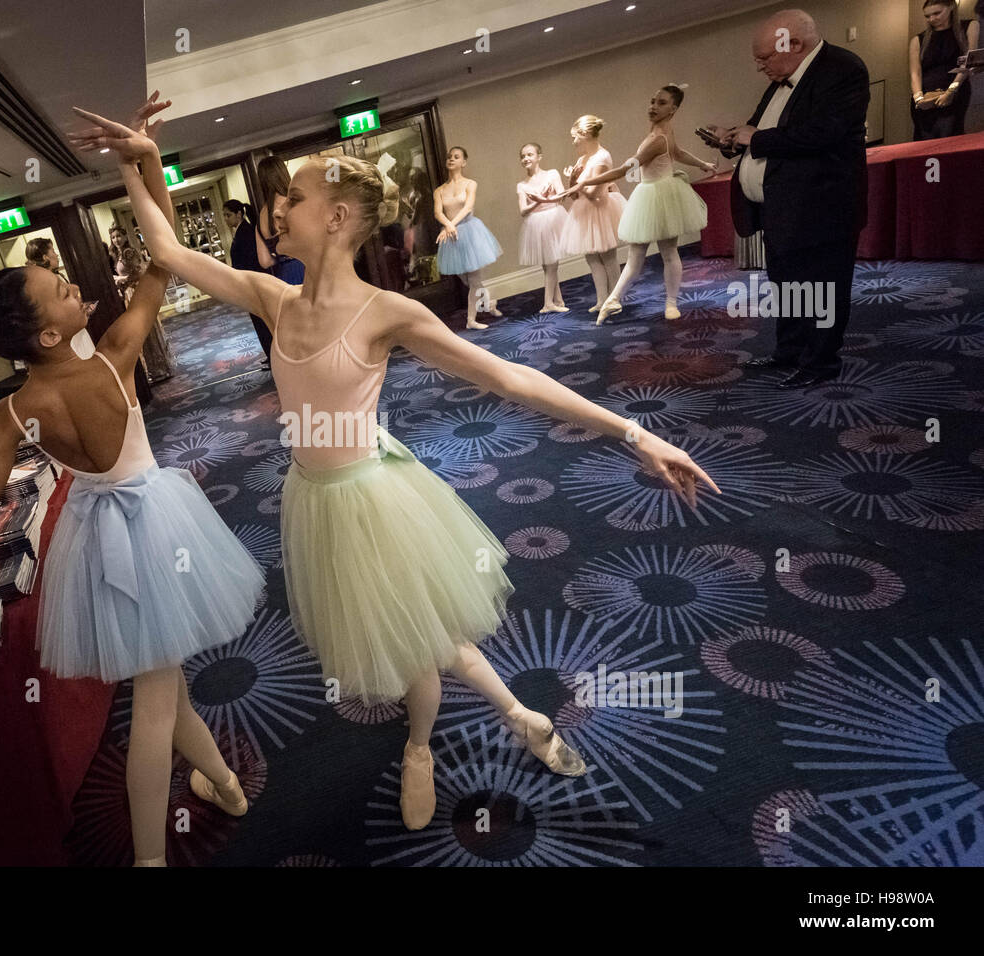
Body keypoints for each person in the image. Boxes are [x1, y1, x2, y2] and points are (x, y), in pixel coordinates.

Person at [71, 107, 722, 832]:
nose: (280, 207)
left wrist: (635, 434)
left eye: (296, 197)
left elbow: (512, 380)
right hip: (312, 498)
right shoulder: (270, 295)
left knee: (413, 648)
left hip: (373, 499)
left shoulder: (387, 313)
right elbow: (165, 245)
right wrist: (141, 161)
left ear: (337, 216)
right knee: (421, 631)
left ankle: (420, 749)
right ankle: (524, 717)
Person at [0, 94, 265, 868]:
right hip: (160, 534)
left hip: (100, 543)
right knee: (152, 705)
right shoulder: (116, 350)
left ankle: (223, 786)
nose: (75, 283)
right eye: (61, 289)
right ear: (50, 332)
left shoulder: (16, 412)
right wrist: (144, 161)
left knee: (162, 687)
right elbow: (163, 254)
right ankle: (149, 859)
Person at [706, 9, 869, 389]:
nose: (760, 67)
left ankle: (820, 363)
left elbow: (822, 135)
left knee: (823, 288)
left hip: (823, 209)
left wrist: (755, 139)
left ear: (792, 44)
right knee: (789, 285)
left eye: (765, 58)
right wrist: (733, 140)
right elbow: (763, 132)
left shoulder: (843, 69)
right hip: (782, 210)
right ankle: (792, 351)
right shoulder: (782, 80)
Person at [558, 87, 715, 323]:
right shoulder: (660, 132)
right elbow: (678, 152)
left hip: (662, 194)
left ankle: (669, 303)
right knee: (637, 253)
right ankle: (613, 299)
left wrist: (584, 182)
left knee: (668, 252)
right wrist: (702, 163)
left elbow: (624, 170)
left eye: (661, 103)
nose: (653, 106)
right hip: (650, 194)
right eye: (652, 101)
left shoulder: (659, 138)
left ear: (673, 109)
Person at [558, 115, 627, 315]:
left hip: (601, 210)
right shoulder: (582, 159)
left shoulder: (602, 157)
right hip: (585, 211)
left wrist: (578, 180)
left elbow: (595, 193)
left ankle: (615, 299)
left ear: (585, 134)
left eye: (575, 137)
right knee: (592, 258)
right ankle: (601, 299)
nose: (573, 142)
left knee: (608, 257)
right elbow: (576, 194)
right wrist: (573, 180)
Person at [434, 146, 504, 330]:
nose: (451, 159)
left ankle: (471, 320)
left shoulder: (470, 184)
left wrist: (450, 225)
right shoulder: (439, 190)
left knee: (473, 280)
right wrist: (448, 225)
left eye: (456, 157)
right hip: (452, 237)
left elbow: (467, 208)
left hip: (470, 232)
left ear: (463, 162)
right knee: (468, 280)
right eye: (449, 157)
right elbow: (437, 213)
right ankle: (490, 304)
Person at [910, 0, 979, 141]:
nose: (932, 19)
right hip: (926, 97)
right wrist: (919, 98)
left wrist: (951, 91)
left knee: (950, 137)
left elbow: (968, 61)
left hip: (955, 91)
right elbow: (915, 72)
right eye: (927, 16)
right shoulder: (918, 39)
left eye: (937, 13)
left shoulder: (969, 26)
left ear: (951, 7)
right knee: (924, 140)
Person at [516, 143, 570, 313]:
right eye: (523, 156)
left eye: (530, 155)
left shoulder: (552, 174)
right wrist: (538, 201)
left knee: (552, 263)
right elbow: (523, 211)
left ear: (539, 156)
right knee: (548, 265)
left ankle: (552, 302)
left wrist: (546, 198)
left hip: (553, 218)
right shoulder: (521, 185)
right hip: (535, 223)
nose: (526, 159)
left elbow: (561, 196)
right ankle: (553, 301)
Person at [224, 198, 273, 365]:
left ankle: (272, 356)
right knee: (259, 320)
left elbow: (251, 260)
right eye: (224, 215)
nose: (225, 219)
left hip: (253, 283)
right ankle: (270, 354)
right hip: (250, 283)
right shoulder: (242, 230)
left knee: (261, 320)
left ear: (239, 214)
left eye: (228, 215)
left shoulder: (246, 231)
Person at [255, 155, 306, 286]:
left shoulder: (262, 215)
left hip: (284, 276)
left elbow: (264, 261)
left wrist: (281, 256)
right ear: (283, 174)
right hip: (306, 267)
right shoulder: (292, 203)